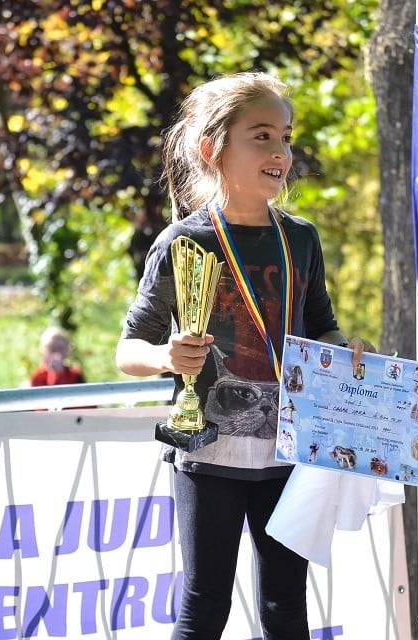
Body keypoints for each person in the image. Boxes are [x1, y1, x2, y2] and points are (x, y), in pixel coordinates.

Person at [114, 72, 376, 640]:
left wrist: (349, 350)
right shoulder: (186, 242)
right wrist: (166, 357)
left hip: (289, 449)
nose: (281, 151)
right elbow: (127, 349)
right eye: (261, 136)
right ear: (213, 150)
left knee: (287, 609)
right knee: (204, 607)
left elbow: (321, 328)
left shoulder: (300, 238)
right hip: (209, 453)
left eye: (285, 136)